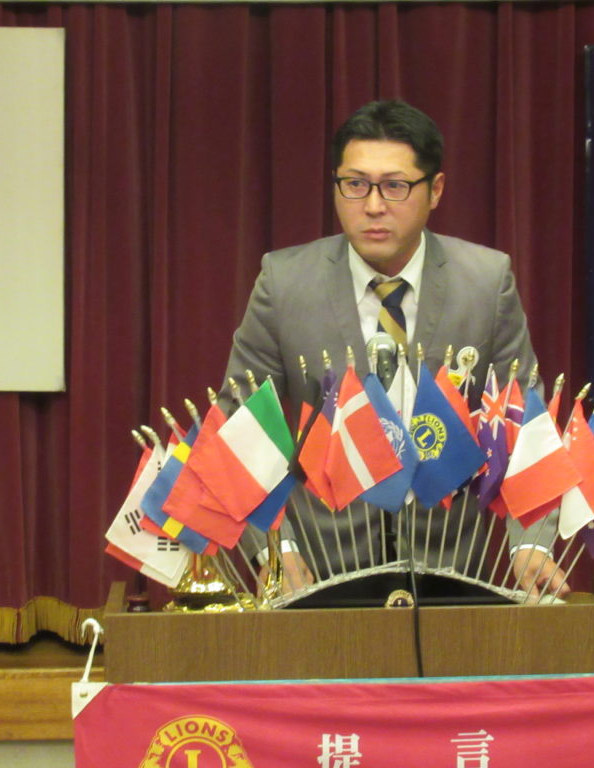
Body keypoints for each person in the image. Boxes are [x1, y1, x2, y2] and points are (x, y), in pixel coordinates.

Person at [220, 99, 568, 601]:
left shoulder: (485, 282)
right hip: (319, 570)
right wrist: (277, 551)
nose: (373, 205)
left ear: (435, 190)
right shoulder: (285, 283)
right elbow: (242, 428)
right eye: (355, 184)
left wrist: (530, 545)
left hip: (451, 568)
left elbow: (524, 423)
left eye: (395, 186)